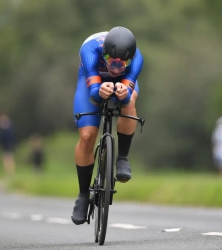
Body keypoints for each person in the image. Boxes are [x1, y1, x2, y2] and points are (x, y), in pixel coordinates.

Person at [71, 26, 144, 225]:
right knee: (87, 136)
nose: (117, 67)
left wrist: (124, 91)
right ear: (104, 53)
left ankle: (122, 158)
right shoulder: (90, 50)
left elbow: (128, 92)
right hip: (93, 80)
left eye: (123, 63)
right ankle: (84, 194)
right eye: (112, 61)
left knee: (130, 102)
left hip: (122, 84)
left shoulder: (137, 58)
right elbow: (94, 94)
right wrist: (98, 89)